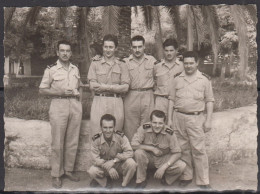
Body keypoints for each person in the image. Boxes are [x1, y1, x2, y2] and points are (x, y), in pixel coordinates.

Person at [168, 51, 214, 189]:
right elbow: (171, 99)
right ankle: (186, 176)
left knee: (198, 149)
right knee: (182, 149)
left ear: (197, 63)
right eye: (186, 63)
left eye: (191, 63)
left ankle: (203, 180)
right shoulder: (177, 79)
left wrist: (208, 120)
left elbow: (209, 101)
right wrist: (169, 119)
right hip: (178, 117)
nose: (188, 66)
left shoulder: (204, 80)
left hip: (196, 118)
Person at [39, 40, 82, 188]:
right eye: (62, 50)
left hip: (75, 105)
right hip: (58, 104)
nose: (65, 53)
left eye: (67, 51)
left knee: (72, 140)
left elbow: (80, 86)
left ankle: (68, 170)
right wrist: (60, 91)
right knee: (57, 141)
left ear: (71, 53)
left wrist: (79, 100)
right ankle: (57, 174)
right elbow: (42, 90)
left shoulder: (75, 69)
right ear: (57, 52)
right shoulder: (51, 69)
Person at [131, 110, 186, 188]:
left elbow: (178, 153)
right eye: (154, 122)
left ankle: (166, 179)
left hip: (163, 159)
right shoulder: (143, 128)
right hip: (148, 158)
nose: (157, 126)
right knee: (138, 152)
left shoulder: (169, 133)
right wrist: (152, 148)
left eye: (160, 123)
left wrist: (164, 167)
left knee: (181, 166)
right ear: (150, 122)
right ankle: (141, 180)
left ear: (164, 123)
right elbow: (133, 145)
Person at [88, 34, 130, 136]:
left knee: (116, 133)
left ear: (116, 48)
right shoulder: (95, 63)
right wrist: (115, 88)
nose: (108, 50)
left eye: (111, 47)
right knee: (96, 133)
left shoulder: (122, 64)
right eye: (106, 47)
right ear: (102, 47)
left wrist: (104, 87)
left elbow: (125, 87)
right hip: (99, 101)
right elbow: (92, 85)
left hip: (116, 102)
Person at [88, 114, 137, 188]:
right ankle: (105, 182)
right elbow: (95, 159)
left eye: (110, 127)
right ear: (101, 127)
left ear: (114, 127)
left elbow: (130, 152)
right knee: (92, 171)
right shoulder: (96, 139)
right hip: (104, 166)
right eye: (105, 127)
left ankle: (124, 184)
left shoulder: (120, 137)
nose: (108, 131)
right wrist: (109, 167)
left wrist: (114, 161)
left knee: (132, 163)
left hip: (118, 164)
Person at [124, 35, 157, 141]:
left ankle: (145, 154)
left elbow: (158, 77)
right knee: (130, 127)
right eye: (134, 47)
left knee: (147, 126)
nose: (137, 50)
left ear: (144, 47)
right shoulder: (125, 62)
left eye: (139, 46)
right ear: (131, 47)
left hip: (148, 95)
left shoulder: (152, 61)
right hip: (131, 96)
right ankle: (131, 154)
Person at [154, 38, 184, 118]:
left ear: (176, 50)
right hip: (160, 101)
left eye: (171, 50)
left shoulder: (182, 66)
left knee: (175, 126)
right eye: (166, 51)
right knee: (159, 126)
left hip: (176, 101)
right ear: (163, 51)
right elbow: (154, 81)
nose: (169, 53)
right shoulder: (157, 66)